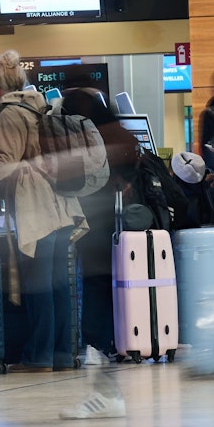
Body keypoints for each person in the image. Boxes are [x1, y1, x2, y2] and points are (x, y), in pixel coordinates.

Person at [0, 51, 84, 373]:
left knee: (39, 285)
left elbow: (5, 161)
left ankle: (39, 356)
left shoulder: (10, 113)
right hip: (62, 203)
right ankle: (62, 355)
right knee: (58, 285)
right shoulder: (39, 106)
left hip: (37, 206)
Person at [58, 85, 139, 364]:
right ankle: (118, 339)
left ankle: (95, 342)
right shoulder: (115, 131)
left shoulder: (82, 134)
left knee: (94, 280)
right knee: (110, 278)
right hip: (113, 213)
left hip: (92, 212)